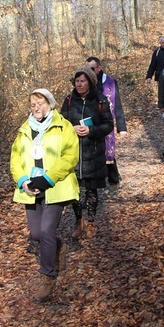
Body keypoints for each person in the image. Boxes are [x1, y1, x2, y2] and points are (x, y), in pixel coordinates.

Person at [10, 89, 80, 302]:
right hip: (31, 189)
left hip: (54, 187)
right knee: (36, 234)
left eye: (40, 103)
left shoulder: (63, 126)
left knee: (47, 230)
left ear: (50, 104)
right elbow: (15, 159)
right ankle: (59, 247)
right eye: (33, 104)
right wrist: (23, 181)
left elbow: (70, 156)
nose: (37, 107)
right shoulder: (24, 130)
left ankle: (47, 277)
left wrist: (48, 179)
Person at [60, 67, 114, 240]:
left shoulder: (100, 100)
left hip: (94, 151)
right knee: (74, 191)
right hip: (73, 152)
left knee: (91, 189)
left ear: (90, 82)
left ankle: (91, 222)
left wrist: (91, 130)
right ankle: (78, 221)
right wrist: (71, 128)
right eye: (77, 81)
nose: (79, 84)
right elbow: (60, 123)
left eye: (82, 81)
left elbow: (108, 125)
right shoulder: (69, 100)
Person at [85, 57, 128, 190]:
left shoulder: (110, 82)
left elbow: (117, 105)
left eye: (92, 69)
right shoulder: (84, 82)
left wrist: (122, 127)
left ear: (99, 68)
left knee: (108, 152)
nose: (89, 72)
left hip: (106, 122)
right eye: (87, 69)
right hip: (90, 123)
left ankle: (113, 180)